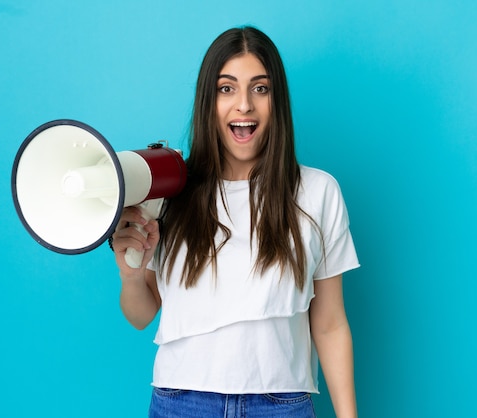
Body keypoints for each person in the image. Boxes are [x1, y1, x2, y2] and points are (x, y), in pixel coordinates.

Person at [110, 26, 360, 418]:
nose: (243, 104)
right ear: (207, 101)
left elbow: (329, 324)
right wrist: (130, 275)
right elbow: (142, 314)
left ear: (277, 101)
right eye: (227, 88)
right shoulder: (172, 191)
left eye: (260, 88)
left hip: (282, 405)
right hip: (181, 402)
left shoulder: (318, 192)